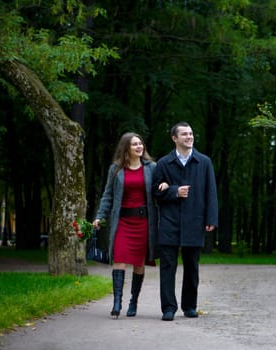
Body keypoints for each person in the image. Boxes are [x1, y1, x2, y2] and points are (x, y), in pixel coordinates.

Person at [93, 132, 168, 319]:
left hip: (144, 222)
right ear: (126, 147)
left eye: (140, 144)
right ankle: (117, 302)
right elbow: (108, 195)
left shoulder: (152, 167)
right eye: (135, 144)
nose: (139, 147)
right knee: (119, 258)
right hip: (122, 222)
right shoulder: (116, 169)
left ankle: (133, 301)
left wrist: (165, 185)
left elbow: (161, 185)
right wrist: (100, 216)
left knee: (138, 263)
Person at [152, 121, 218, 321]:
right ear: (175, 138)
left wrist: (211, 218)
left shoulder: (204, 162)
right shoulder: (164, 163)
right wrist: (174, 191)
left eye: (191, 133)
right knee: (167, 267)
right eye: (184, 134)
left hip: (195, 221)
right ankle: (168, 308)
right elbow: (155, 192)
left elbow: (211, 192)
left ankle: (190, 306)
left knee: (192, 267)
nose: (189, 137)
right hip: (169, 222)